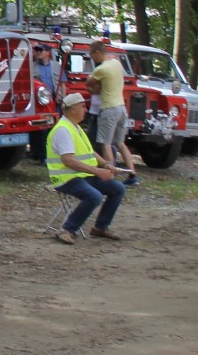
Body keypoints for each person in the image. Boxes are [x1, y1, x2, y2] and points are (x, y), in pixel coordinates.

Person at [45, 92, 127, 244]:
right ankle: (67, 229)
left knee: (118, 188)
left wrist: (106, 164)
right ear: (73, 109)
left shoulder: (75, 127)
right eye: (82, 106)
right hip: (67, 178)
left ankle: (101, 227)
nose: (86, 109)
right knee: (94, 196)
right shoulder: (63, 130)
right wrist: (98, 171)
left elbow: (90, 152)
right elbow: (68, 160)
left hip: (82, 176)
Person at [87, 38, 139, 185]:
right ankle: (133, 175)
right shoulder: (116, 63)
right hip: (122, 108)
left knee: (106, 144)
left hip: (109, 109)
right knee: (121, 144)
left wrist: (91, 86)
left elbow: (89, 83)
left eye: (92, 56)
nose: (93, 59)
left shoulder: (101, 69)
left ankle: (110, 176)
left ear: (97, 53)